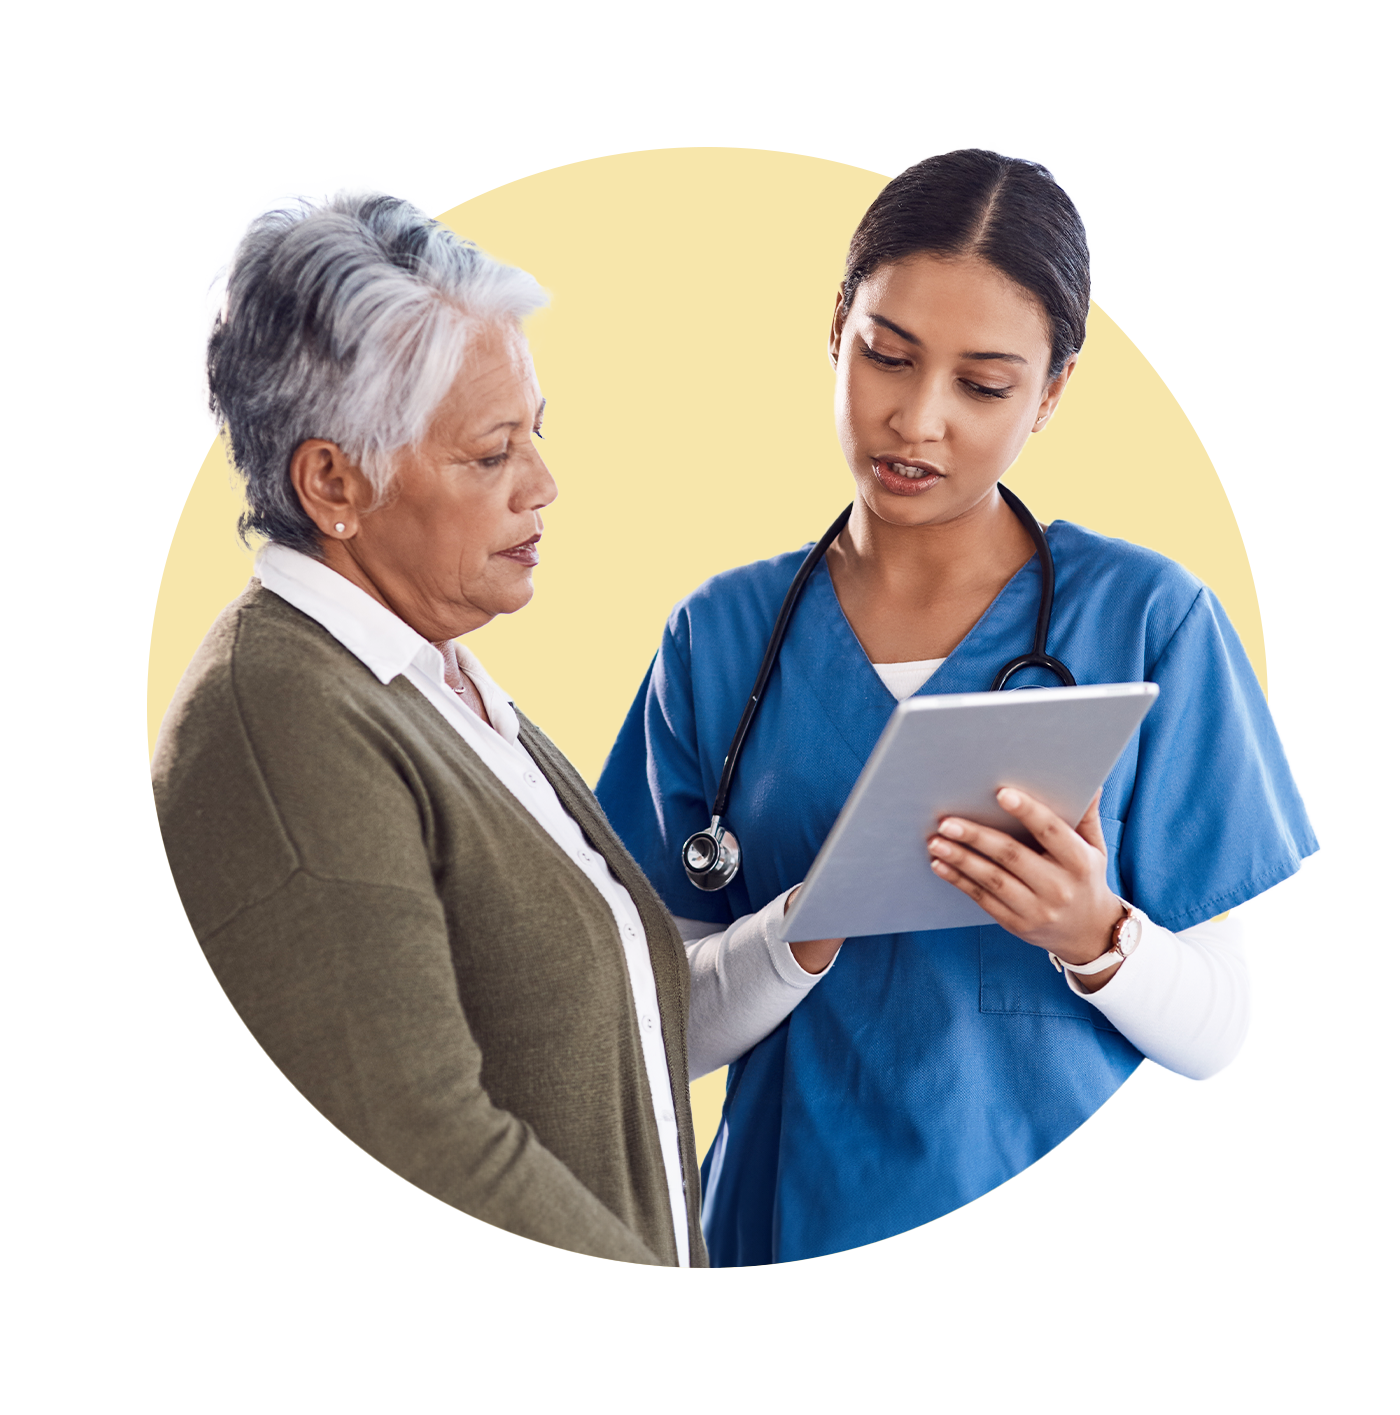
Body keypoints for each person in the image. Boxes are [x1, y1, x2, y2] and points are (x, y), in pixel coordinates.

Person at [596, 148, 1317, 1267]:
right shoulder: (717, 636)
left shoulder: (1147, 617)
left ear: (1053, 390)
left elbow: (1217, 1032)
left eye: (982, 385)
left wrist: (1094, 935)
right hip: (784, 1231)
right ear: (836, 325)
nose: (916, 420)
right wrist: (797, 932)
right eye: (887, 355)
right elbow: (647, 1033)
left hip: (1048, 1246)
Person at [151, 176, 709, 1267]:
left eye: (536, 434)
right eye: (491, 452)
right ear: (332, 482)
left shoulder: (438, 684)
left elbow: (613, 1025)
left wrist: (803, 933)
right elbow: (427, 1149)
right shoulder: (280, 721)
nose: (543, 483)